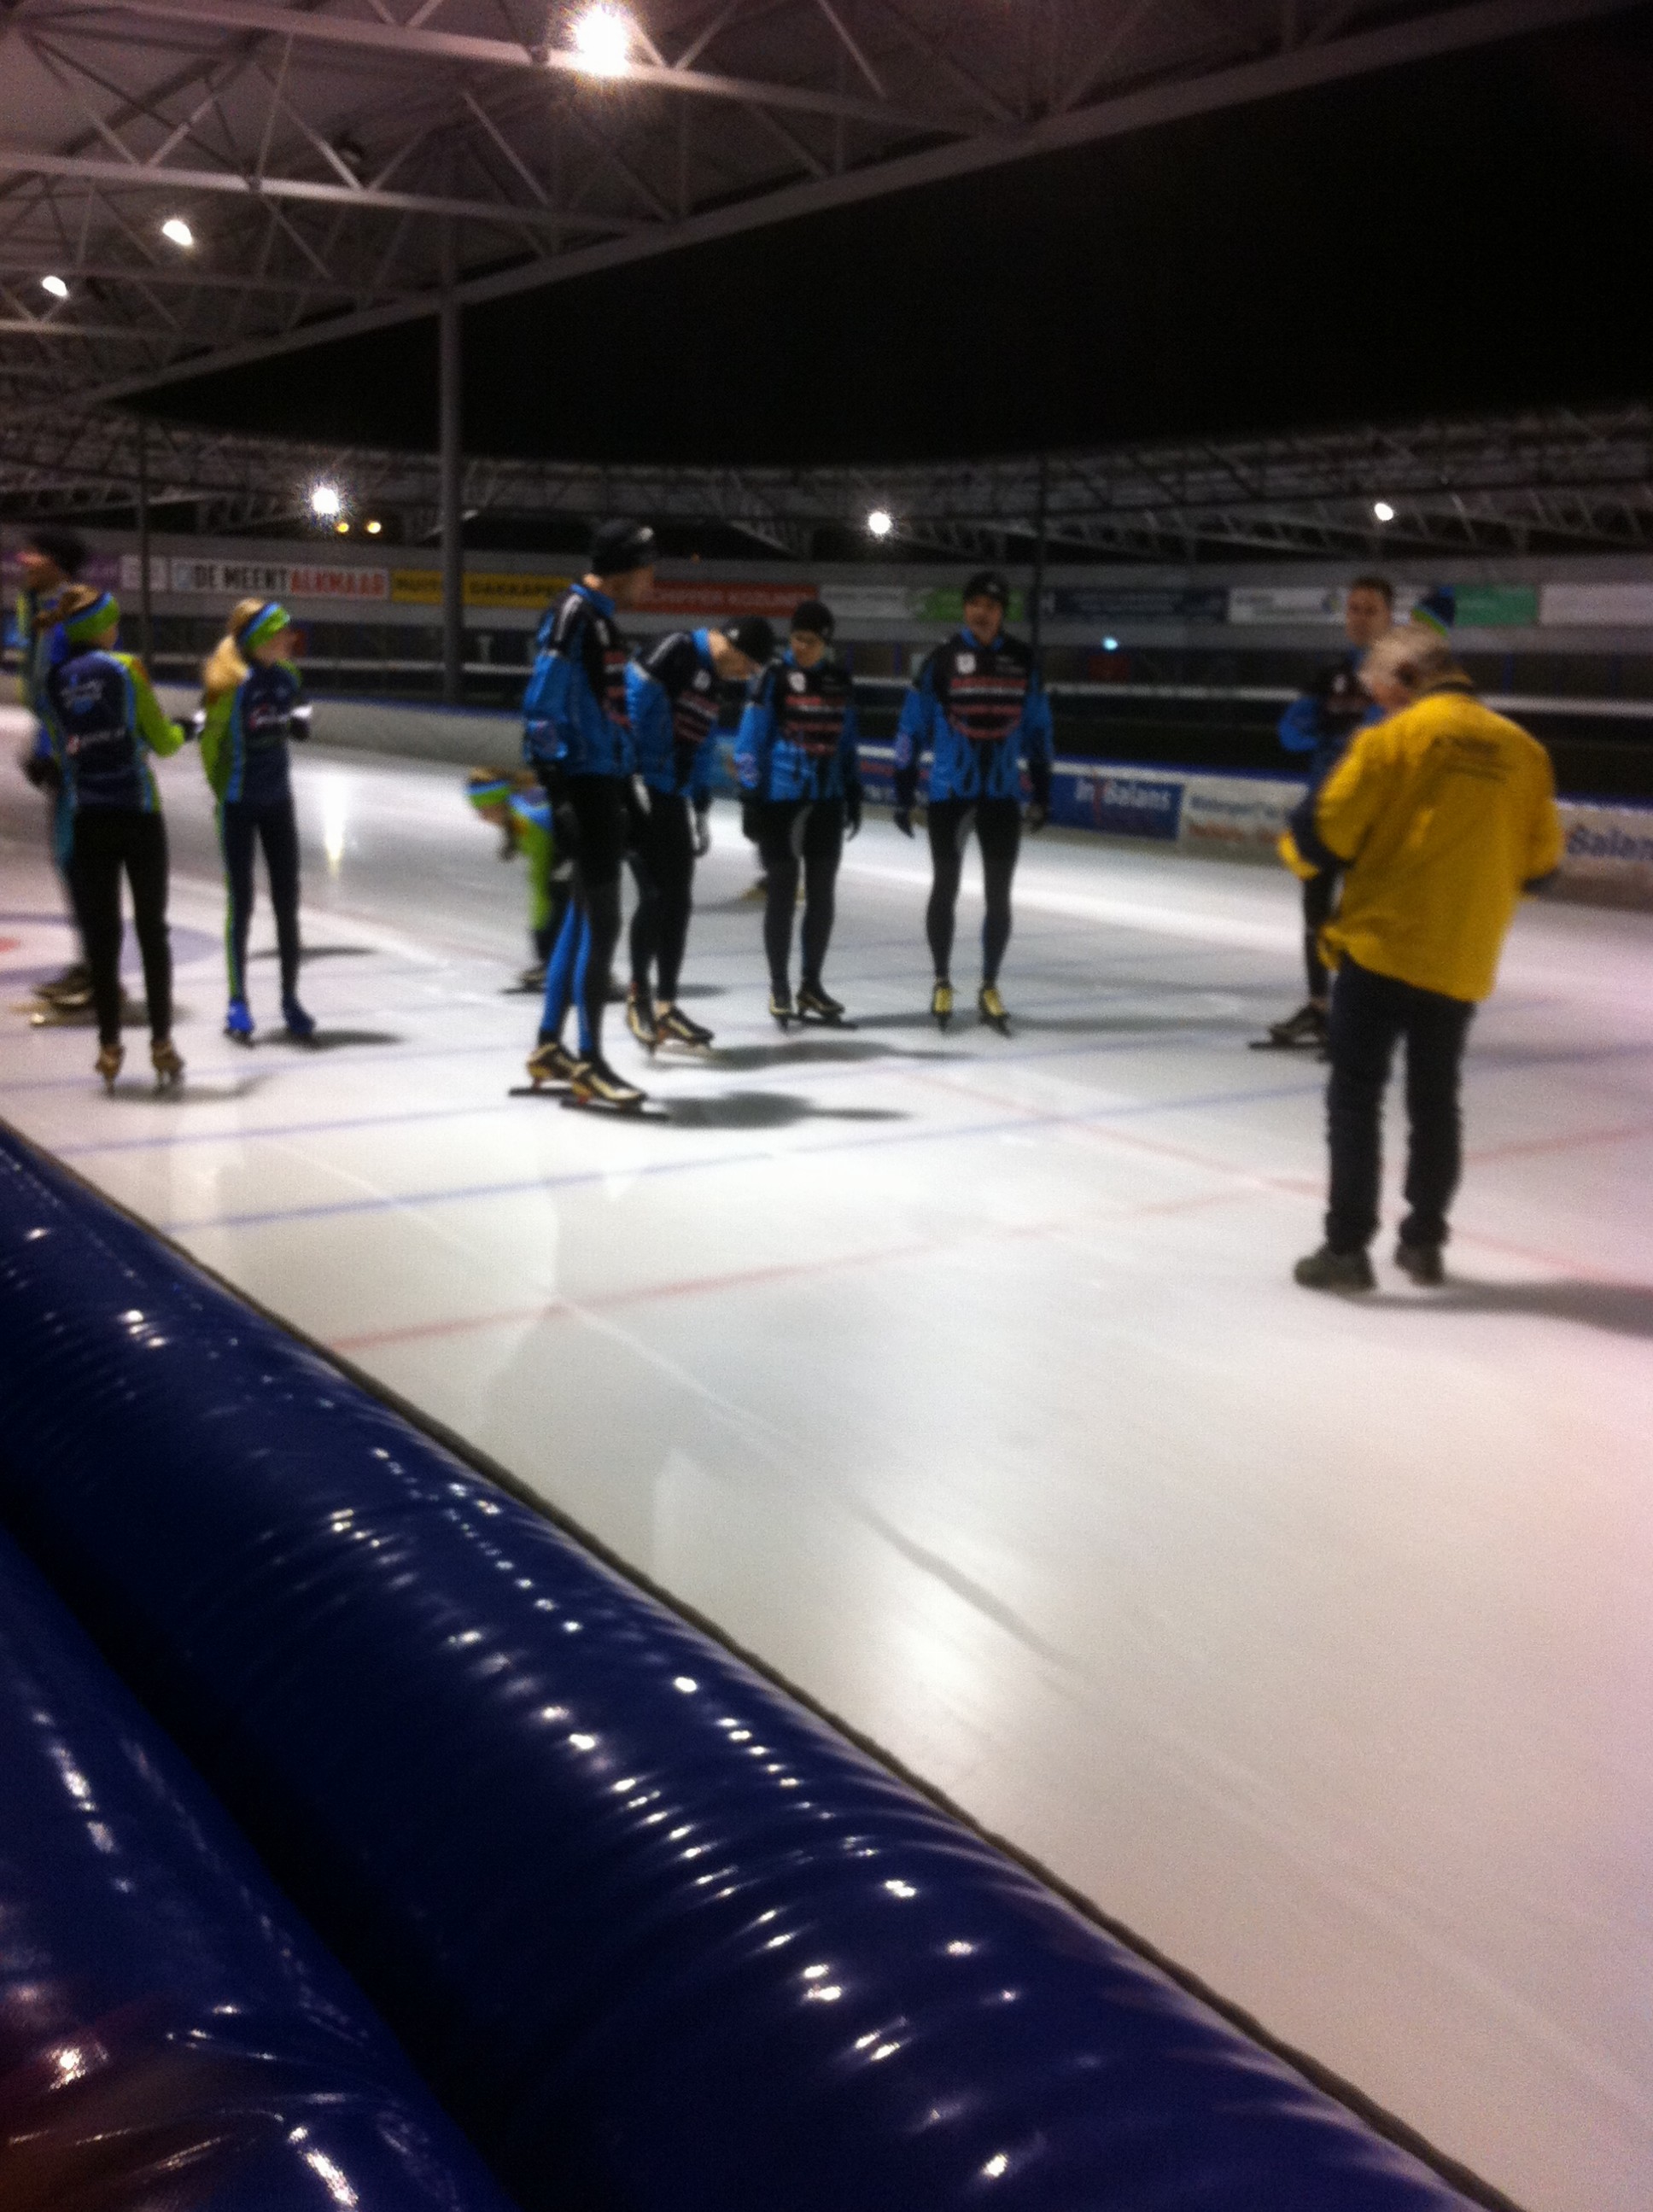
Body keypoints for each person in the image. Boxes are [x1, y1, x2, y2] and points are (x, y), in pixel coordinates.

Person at [1288, 621, 1562, 1292]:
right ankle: (1424, 1241)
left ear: (1408, 678)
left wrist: (1303, 853)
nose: (1379, 703)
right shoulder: (1525, 751)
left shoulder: (1393, 739)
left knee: (1356, 1096)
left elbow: (1324, 834)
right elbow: (1542, 868)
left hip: (1382, 946)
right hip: (1460, 957)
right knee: (1436, 1102)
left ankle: (1347, 1248)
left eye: (1383, 689)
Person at [522, 519, 655, 1109]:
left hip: (601, 780)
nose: (652, 581)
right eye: (647, 569)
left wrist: (626, 787)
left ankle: (550, 1045)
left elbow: (609, 713)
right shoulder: (575, 615)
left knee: (582, 919)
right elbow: (541, 705)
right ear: (624, 567)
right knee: (603, 924)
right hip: (582, 783)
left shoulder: (599, 619)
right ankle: (590, 1062)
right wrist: (560, 792)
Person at [892, 569, 1054, 1034]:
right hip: (950, 795)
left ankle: (989, 985)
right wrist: (903, 793)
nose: (983, 613)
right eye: (976, 604)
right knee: (945, 887)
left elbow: (1040, 731)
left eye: (993, 606)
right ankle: (942, 981)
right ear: (966, 608)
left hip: (1002, 796)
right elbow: (911, 728)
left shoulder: (1023, 661)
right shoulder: (941, 659)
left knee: (999, 896)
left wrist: (1042, 793)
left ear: (1002, 613)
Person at [37, 587, 186, 1091]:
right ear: (102, 626)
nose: (118, 629)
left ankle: (109, 1047)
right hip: (138, 814)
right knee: (152, 932)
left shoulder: (55, 681)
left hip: (89, 819)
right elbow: (163, 741)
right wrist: (185, 730)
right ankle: (161, 1043)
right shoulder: (126, 670)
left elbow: (64, 753)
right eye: (114, 621)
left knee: (102, 939)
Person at [624, 615, 774, 1051]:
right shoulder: (675, 649)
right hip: (639, 786)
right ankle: (638, 999)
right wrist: (629, 779)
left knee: (679, 899)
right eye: (749, 665)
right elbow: (630, 707)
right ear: (733, 645)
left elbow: (703, 739)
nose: (746, 675)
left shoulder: (714, 679)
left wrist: (701, 799)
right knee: (654, 895)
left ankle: (667, 1007)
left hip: (672, 792)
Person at [1264, 575, 1394, 1050]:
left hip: (1375, 818)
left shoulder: (1402, 678)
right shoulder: (1330, 675)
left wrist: (1354, 731)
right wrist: (1324, 725)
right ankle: (1320, 1008)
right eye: (1354, 609)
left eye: (1370, 610)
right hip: (1323, 812)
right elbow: (1288, 734)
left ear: (1389, 617)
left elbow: (1404, 740)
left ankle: (1356, 1018)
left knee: (1356, 922)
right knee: (1316, 914)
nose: (1360, 618)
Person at [734, 598, 862, 1027]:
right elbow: (750, 741)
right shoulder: (772, 678)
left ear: (826, 642)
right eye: (796, 638)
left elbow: (848, 741)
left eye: (809, 640)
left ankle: (811, 984)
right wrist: (750, 797)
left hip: (828, 801)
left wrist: (854, 790)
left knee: (822, 895)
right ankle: (779, 986)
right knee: (783, 892)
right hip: (782, 802)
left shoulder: (840, 681)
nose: (800, 646)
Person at [197, 599, 315, 1042]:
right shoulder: (230, 685)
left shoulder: (288, 676)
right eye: (282, 632)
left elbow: (301, 706)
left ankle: (290, 998)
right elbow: (209, 746)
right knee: (242, 903)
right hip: (239, 806)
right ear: (261, 638)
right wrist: (224, 792)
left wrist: (301, 718)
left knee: (287, 904)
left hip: (279, 804)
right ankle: (237, 1001)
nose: (290, 639)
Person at [12, 525, 91, 1007]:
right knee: (69, 859)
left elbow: (85, 690)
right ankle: (90, 965)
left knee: (79, 859)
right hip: (60, 755)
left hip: (79, 761)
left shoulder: (74, 615)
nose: (24, 559)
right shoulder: (41, 612)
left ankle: (97, 972)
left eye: (36, 553)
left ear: (57, 563)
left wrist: (62, 751)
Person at [466, 769, 564, 990]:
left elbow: (541, 879)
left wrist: (542, 938)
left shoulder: (524, 820)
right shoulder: (521, 803)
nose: (481, 817)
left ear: (498, 803)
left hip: (581, 851)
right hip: (574, 849)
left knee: (556, 897)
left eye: (483, 809)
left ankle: (563, 962)